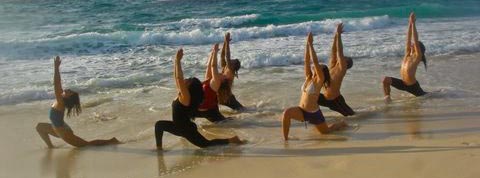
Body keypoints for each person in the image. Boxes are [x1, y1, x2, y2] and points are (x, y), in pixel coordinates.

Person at [154, 49, 244, 150]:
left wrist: (178, 61)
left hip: (186, 129)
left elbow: (179, 78)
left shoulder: (186, 98)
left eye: (188, 80)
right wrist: (176, 61)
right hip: (179, 126)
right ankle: (159, 149)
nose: (185, 80)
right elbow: (177, 78)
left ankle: (232, 140)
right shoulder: (183, 95)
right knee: (159, 125)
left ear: (189, 88)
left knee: (206, 144)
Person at [36, 56, 120, 148]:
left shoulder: (60, 102)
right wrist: (57, 68)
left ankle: (112, 141)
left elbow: (56, 83)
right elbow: (59, 84)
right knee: (39, 127)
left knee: (86, 145)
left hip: (64, 132)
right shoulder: (60, 99)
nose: (68, 89)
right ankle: (50, 146)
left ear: (68, 98)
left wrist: (56, 67)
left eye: (69, 92)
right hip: (56, 128)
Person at [281, 33, 348, 141]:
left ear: (321, 72)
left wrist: (311, 45)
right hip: (302, 111)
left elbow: (315, 62)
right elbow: (307, 61)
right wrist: (307, 45)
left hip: (314, 114)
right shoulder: (308, 77)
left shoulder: (319, 80)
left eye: (318, 68)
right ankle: (286, 139)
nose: (314, 67)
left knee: (326, 132)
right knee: (286, 113)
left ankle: (341, 124)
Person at [383, 12, 427, 102]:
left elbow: (415, 38)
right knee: (385, 80)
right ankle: (387, 98)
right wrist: (409, 24)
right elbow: (408, 38)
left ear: (417, 48)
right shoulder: (407, 54)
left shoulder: (417, 57)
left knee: (426, 96)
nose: (411, 44)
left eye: (413, 45)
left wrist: (414, 23)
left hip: (413, 86)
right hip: (403, 83)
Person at [318, 23, 355, 116]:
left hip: (336, 101)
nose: (343, 57)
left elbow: (339, 51)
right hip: (326, 99)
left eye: (344, 58)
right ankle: (312, 115)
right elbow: (334, 51)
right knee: (312, 97)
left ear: (346, 63)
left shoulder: (342, 69)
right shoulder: (333, 66)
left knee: (352, 116)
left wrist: (339, 35)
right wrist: (335, 35)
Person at [195, 44, 229, 123]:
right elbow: (209, 67)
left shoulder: (216, 83)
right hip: (204, 110)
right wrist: (212, 52)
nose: (222, 74)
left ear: (222, 81)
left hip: (211, 112)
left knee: (227, 123)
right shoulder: (209, 80)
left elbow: (214, 66)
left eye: (224, 76)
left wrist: (216, 52)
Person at [219, 32, 245, 111]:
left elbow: (227, 55)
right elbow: (222, 55)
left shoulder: (231, 71)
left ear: (234, 66)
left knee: (243, 111)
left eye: (233, 61)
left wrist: (227, 42)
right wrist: (224, 42)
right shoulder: (225, 67)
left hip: (228, 98)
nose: (231, 59)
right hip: (221, 97)